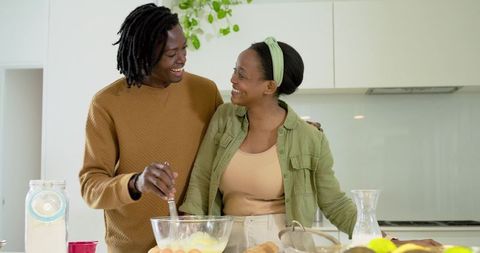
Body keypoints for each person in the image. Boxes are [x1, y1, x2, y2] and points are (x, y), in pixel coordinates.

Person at [178, 37, 442, 252]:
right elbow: (201, 179)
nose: (233, 79)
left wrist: (391, 243)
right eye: (235, 70)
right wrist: (186, 240)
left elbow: (335, 203)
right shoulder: (225, 118)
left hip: (285, 244)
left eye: (242, 74)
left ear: (270, 86)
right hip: (227, 243)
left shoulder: (309, 137)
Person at [79, 3, 222, 253]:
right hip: (130, 248)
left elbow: (230, 151)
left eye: (184, 48)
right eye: (171, 54)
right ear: (145, 54)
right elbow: (91, 187)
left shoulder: (205, 92)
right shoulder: (106, 104)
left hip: (197, 246)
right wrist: (137, 182)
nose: (182, 58)